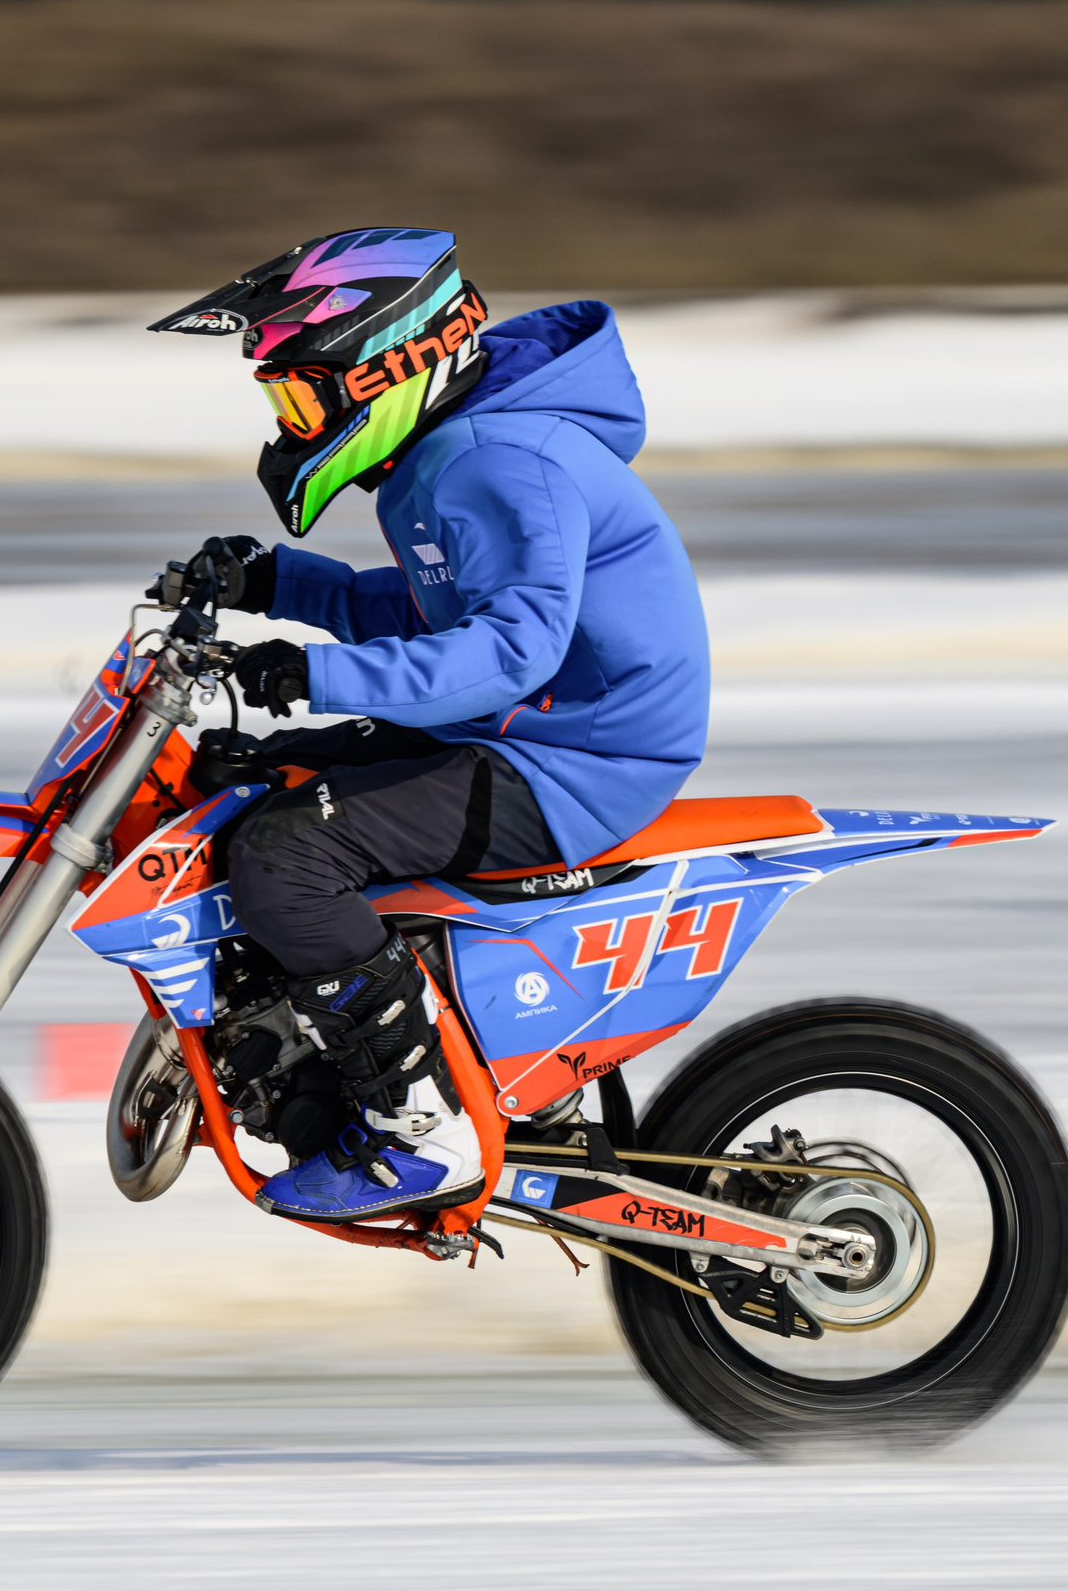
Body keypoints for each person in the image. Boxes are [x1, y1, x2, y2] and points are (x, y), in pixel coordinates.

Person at [145, 228, 710, 1223]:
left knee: (285, 855)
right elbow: (434, 619)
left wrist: (311, 674)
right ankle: (309, 1051)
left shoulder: (497, 460)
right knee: (248, 784)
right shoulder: (450, 454)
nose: (288, 420)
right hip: (525, 732)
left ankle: (419, 1128)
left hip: (575, 760)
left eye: (300, 393)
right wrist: (282, 582)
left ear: (387, 359)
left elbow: (511, 651)